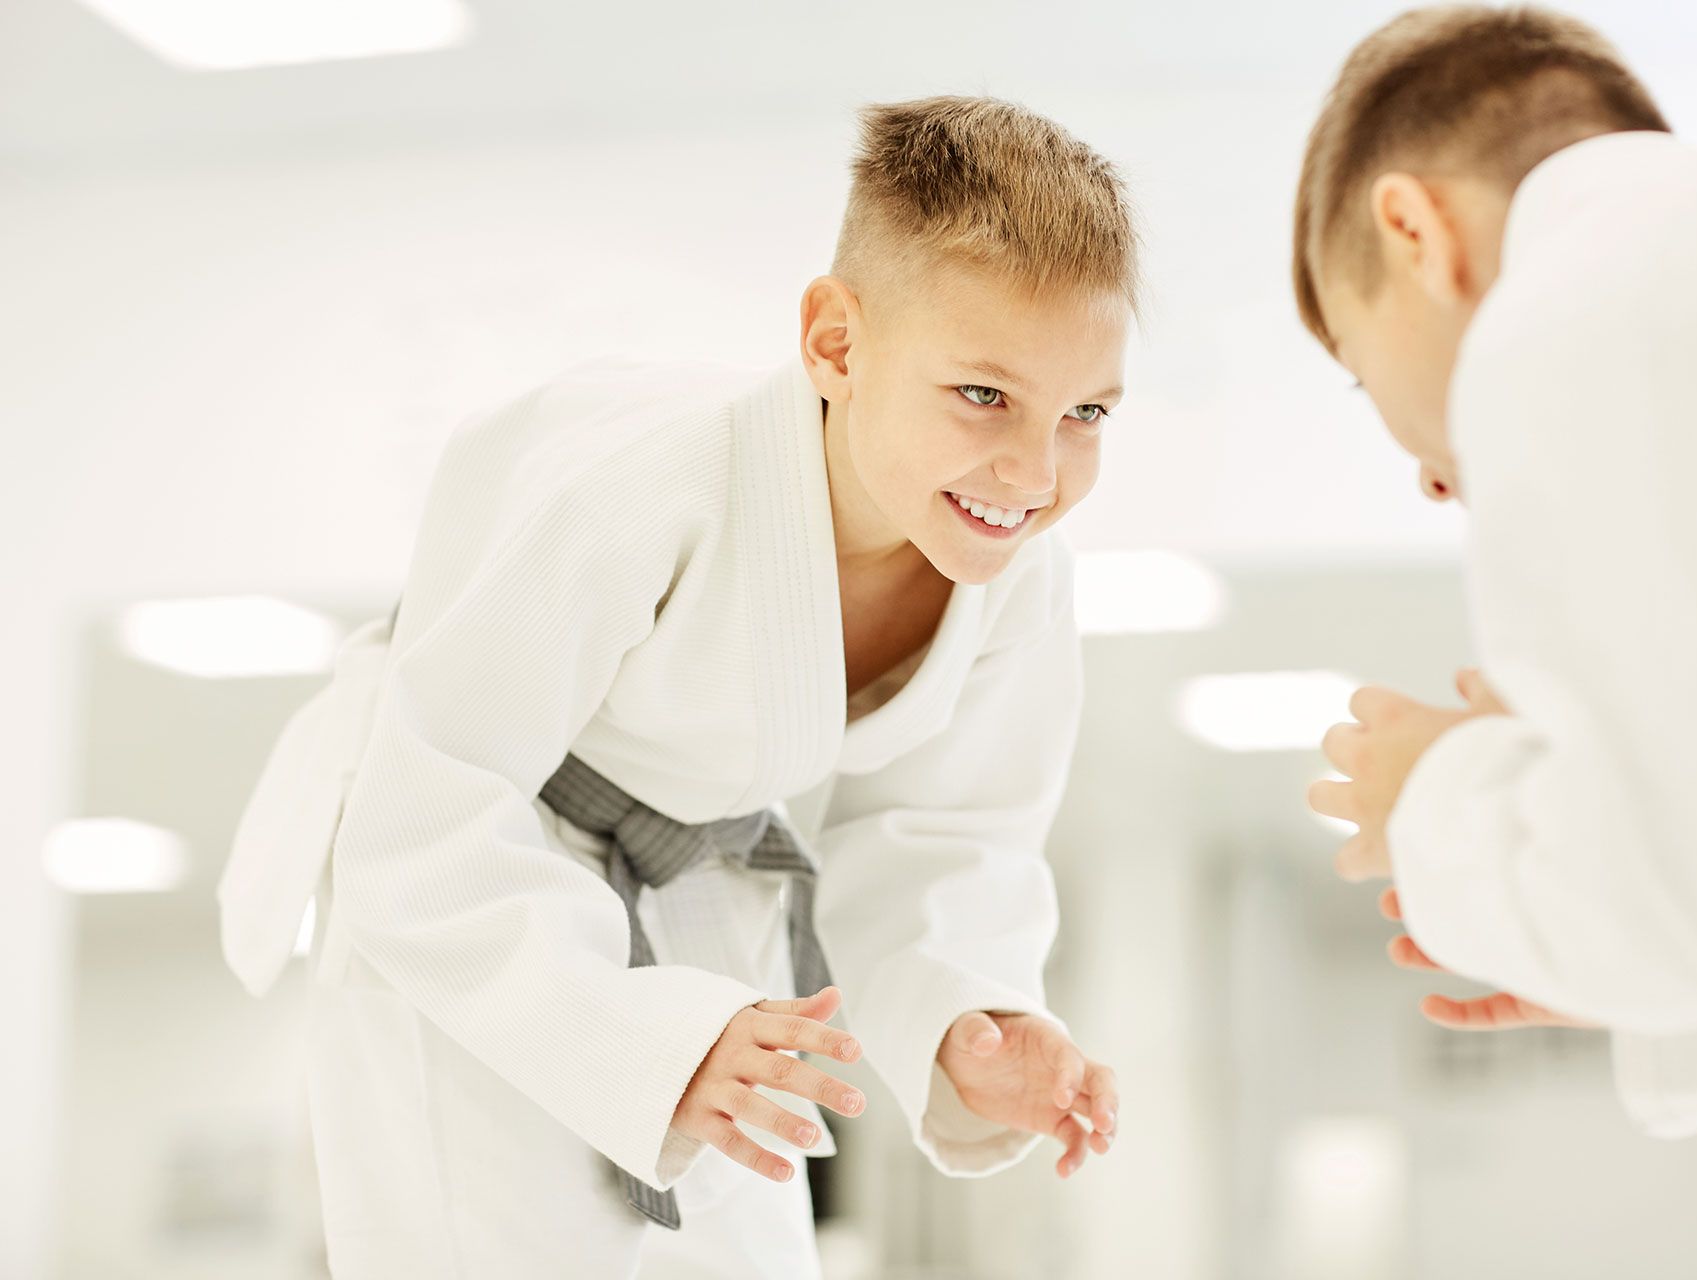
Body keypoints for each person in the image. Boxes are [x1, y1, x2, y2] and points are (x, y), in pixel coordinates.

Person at [218, 94, 1130, 1277]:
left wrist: (970, 1021)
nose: (1034, 468)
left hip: (695, 883)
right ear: (836, 343)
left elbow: (940, 836)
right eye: (983, 394)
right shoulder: (635, 486)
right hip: (466, 894)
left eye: (1088, 412)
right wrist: (641, 1044)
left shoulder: (1018, 576)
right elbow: (423, 817)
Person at [1295, 6, 1697, 1137]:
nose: (1430, 485)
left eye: (1359, 367)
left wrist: (1438, 794)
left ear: (1416, 234)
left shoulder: (1566, 306)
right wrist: (1620, 930)